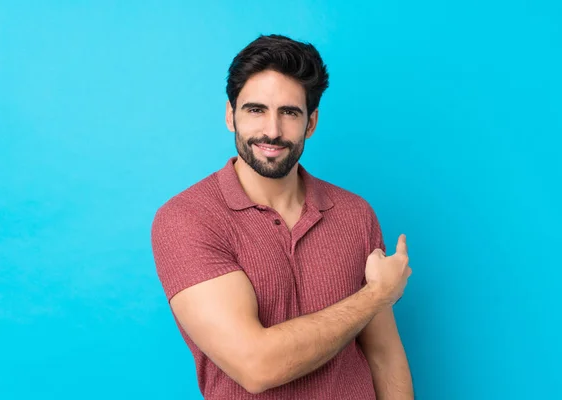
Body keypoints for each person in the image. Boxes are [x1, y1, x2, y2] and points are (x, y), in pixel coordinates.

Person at [151, 34, 414, 399]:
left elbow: (384, 356)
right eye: (255, 110)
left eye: (289, 112)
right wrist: (376, 296)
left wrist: (378, 298)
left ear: (311, 122)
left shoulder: (355, 214)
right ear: (230, 115)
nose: (272, 131)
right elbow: (256, 366)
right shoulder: (187, 218)